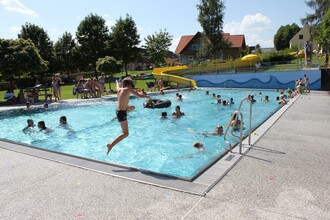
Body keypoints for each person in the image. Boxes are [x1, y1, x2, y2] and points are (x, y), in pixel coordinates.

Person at [106, 77, 151, 155]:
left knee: (133, 107)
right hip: (121, 113)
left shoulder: (120, 89)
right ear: (130, 84)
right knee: (125, 133)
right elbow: (139, 96)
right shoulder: (128, 89)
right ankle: (111, 145)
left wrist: (117, 81)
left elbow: (117, 86)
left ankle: (122, 113)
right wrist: (148, 97)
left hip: (118, 111)